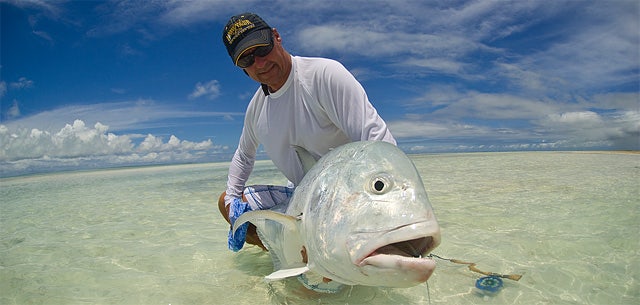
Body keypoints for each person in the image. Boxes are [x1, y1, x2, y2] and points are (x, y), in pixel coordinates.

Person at [218, 12, 396, 252]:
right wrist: (232, 200)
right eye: (247, 60)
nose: (259, 63)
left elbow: (379, 144)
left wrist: (382, 213)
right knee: (226, 203)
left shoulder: (324, 76)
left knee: (312, 289)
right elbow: (243, 156)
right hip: (300, 197)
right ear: (241, 68)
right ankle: (282, 252)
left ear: (276, 37)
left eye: (261, 49)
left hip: (348, 195)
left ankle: (315, 255)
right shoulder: (256, 108)